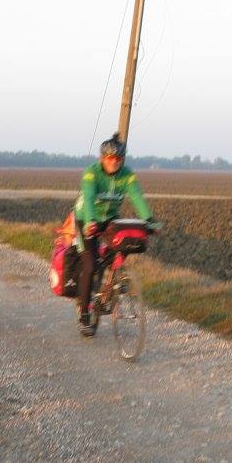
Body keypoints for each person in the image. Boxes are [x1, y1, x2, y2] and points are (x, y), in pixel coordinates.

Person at [73, 133, 158, 336]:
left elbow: (136, 197)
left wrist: (149, 220)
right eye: (110, 158)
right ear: (102, 158)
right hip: (86, 218)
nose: (114, 162)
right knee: (90, 265)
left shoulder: (127, 175)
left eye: (118, 158)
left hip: (110, 219)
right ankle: (84, 314)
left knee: (124, 245)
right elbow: (89, 197)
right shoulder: (91, 173)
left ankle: (112, 282)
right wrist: (91, 222)